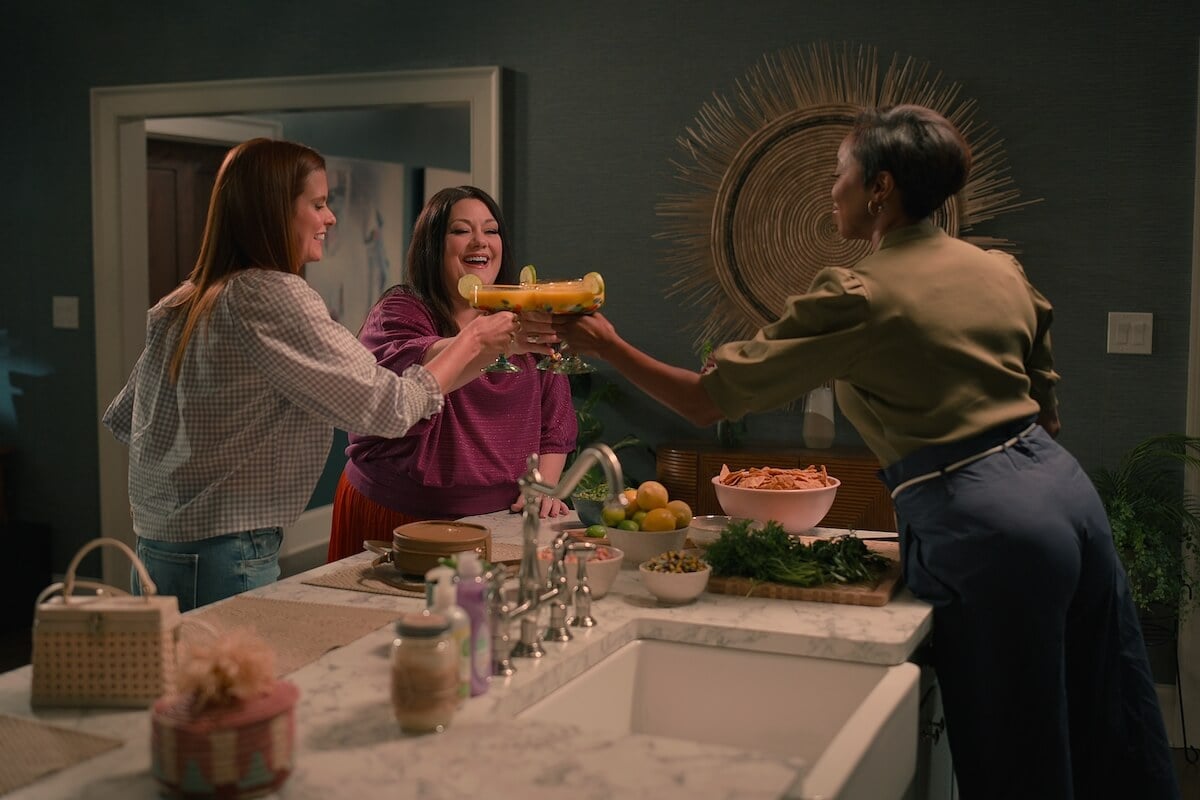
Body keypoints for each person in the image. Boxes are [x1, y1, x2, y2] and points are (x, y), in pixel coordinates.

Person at [554, 105, 1179, 799]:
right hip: (1066, 499)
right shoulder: (1000, 269)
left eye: (839, 174)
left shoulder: (860, 294)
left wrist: (604, 346)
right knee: (1109, 721)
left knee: (1015, 759)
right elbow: (1046, 404)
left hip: (988, 523)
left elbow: (707, 400)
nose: (831, 190)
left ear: (880, 187)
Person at [102, 140, 520, 612]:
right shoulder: (272, 295)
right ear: (276, 210)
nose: (330, 218)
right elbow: (392, 407)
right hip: (225, 551)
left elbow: (129, 421)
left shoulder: (185, 300)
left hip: (161, 546)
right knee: (233, 686)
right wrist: (474, 342)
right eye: (318, 204)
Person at [325, 186, 576, 563]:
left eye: (491, 231)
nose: (481, 241)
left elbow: (554, 424)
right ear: (433, 245)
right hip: (399, 514)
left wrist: (542, 487)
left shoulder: (525, 318)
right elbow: (420, 378)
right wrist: (495, 341)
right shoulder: (399, 312)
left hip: (500, 519)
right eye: (461, 230)